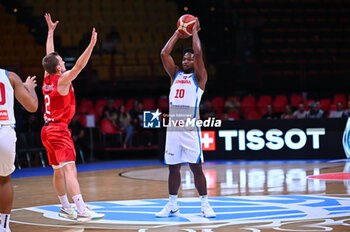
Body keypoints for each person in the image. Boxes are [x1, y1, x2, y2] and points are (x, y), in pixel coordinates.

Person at [41, 13, 104, 221]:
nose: (62, 59)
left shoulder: (48, 76)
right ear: (59, 67)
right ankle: (81, 210)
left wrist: (51, 32)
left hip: (47, 130)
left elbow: (49, 54)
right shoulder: (62, 80)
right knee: (70, 169)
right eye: (60, 60)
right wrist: (91, 46)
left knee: (58, 172)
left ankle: (65, 207)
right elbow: (79, 66)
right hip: (58, 130)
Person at [156, 18, 216, 218]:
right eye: (184, 59)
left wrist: (195, 31)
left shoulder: (199, 78)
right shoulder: (175, 75)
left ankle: (205, 204)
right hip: (173, 128)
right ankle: (172, 204)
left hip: (190, 127)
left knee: (195, 168)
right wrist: (177, 33)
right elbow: (164, 53)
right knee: (173, 169)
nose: (186, 61)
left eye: (189, 59)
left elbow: (198, 53)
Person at [0, 69, 38, 232]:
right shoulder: (10, 77)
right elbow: (32, 107)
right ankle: (4, 226)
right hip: (4, 131)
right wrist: (30, 88)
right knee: (4, 180)